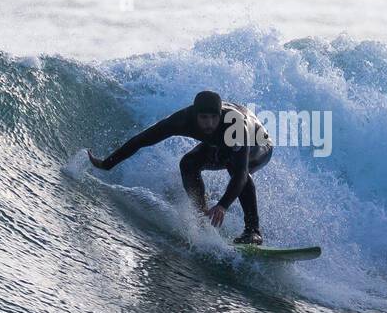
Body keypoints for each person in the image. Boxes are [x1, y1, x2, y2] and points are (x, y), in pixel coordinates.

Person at [87, 90, 273, 245]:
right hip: (220, 145)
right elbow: (141, 140)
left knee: (236, 167)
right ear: (195, 114)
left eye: (213, 118)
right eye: (204, 118)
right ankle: (202, 216)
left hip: (260, 145)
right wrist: (107, 164)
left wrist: (223, 205)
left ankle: (253, 231)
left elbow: (241, 173)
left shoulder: (234, 124)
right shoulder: (182, 120)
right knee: (188, 163)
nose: (208, 123)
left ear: (220, 115)